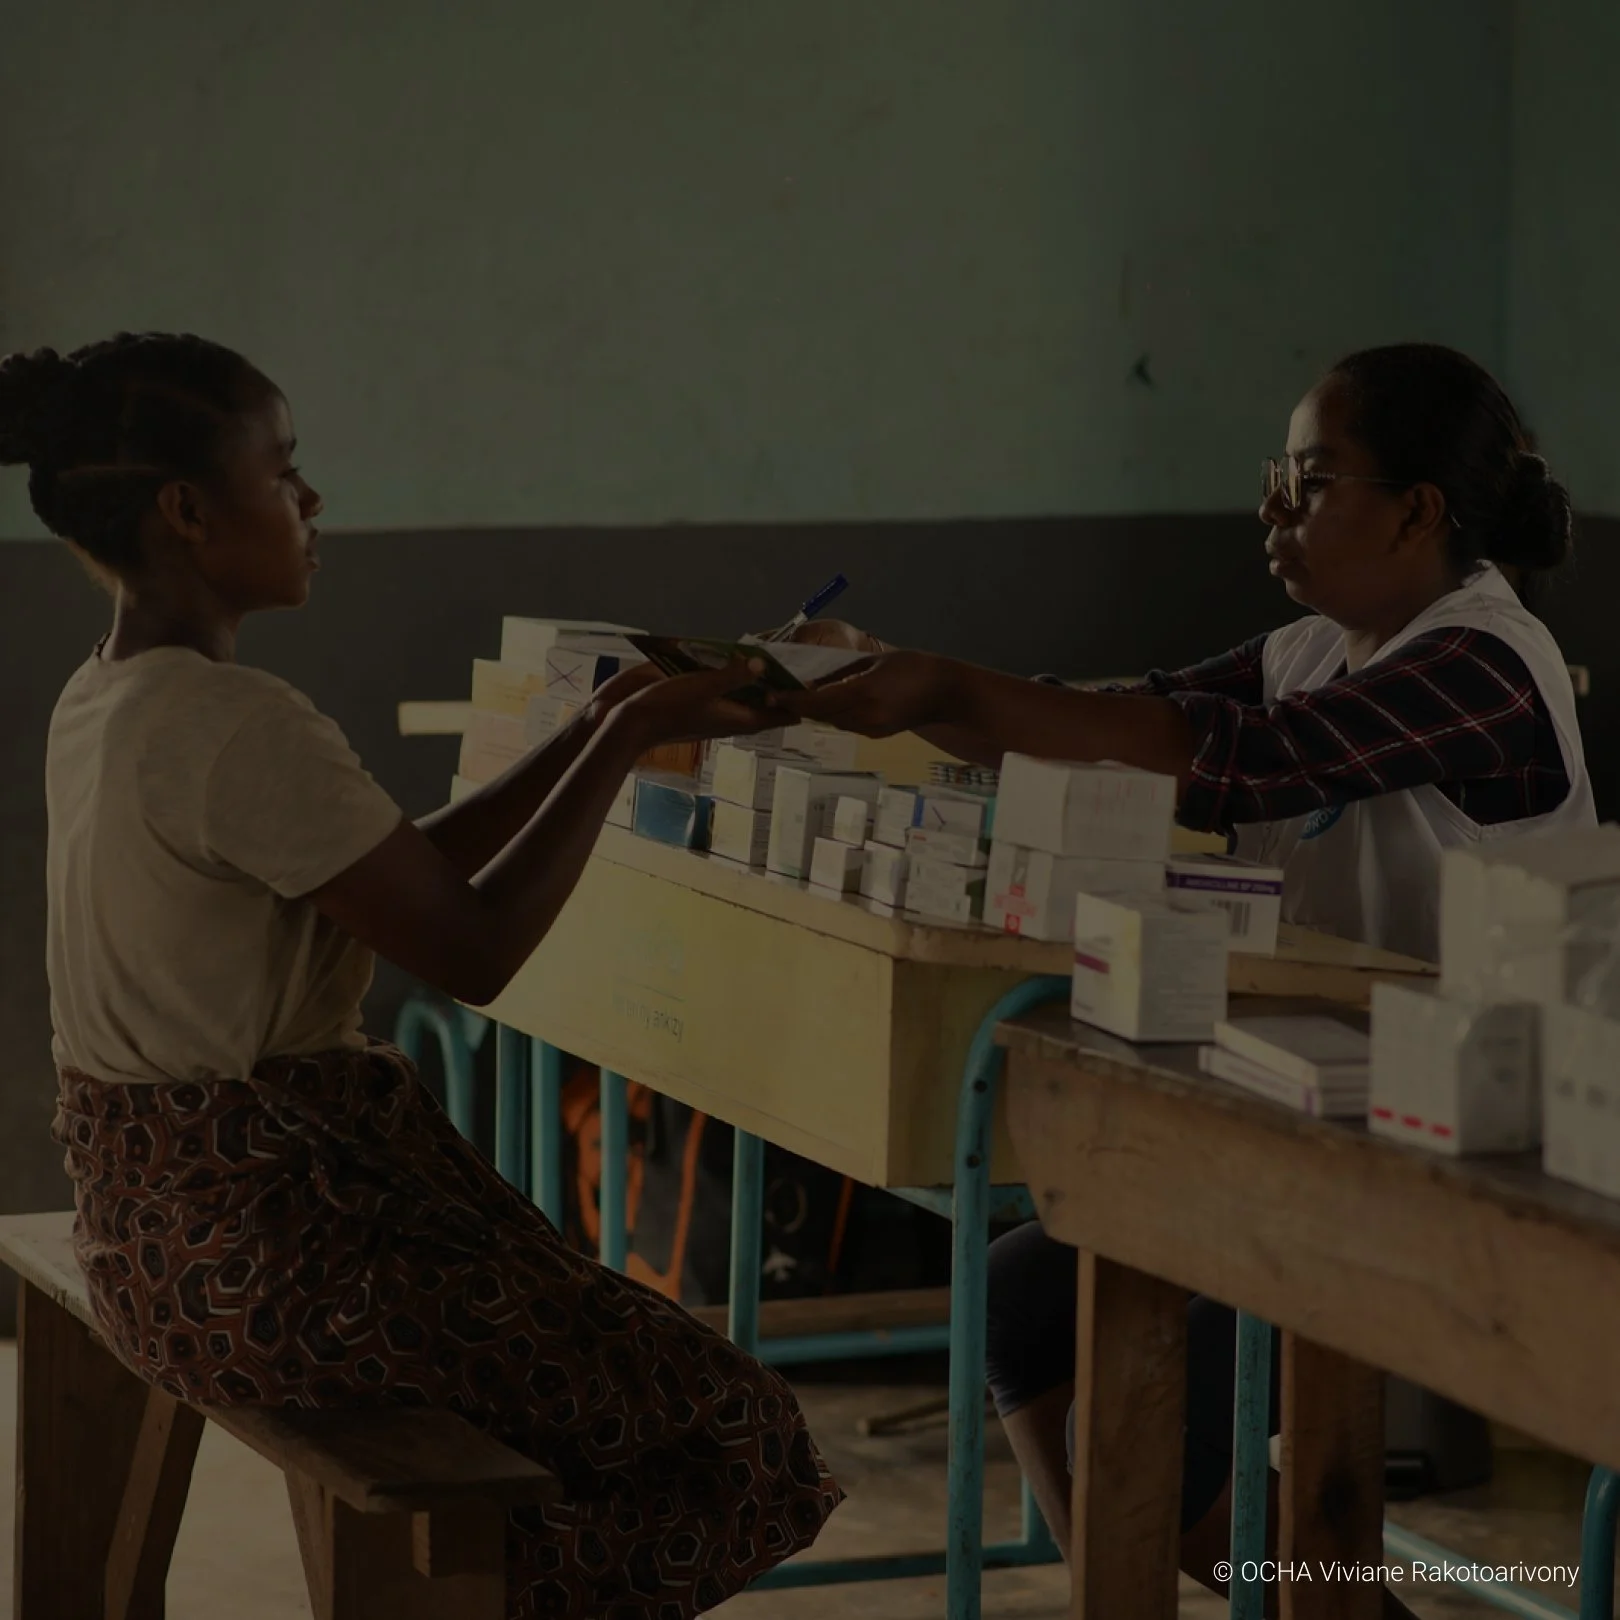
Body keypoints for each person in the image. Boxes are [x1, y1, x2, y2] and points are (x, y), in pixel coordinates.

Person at [1, 331, 841, 1620]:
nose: (313, 501)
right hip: (272, 1262)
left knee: (623, 1373)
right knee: (739, 1433)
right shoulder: (241, 725)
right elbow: (475, 950)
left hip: (151, 1235)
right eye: (285, 473)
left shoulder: (109, 697)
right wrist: (624, 742)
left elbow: (391, 874)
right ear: (188, 510)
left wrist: (591, 730)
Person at [777, 343, 1592, 1614]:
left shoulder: (1487, 661)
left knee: (1183, 1386)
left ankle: (1293, 1590)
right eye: (1278, 478)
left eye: (1311, 484)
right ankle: (1219, 1581)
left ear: (1420, 509)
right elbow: (1110, 723)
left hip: (1472, 1138)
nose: (1273, 512)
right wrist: (877, 677)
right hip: (1317, 1096)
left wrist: (939, 685)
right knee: (1033, 1297)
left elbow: (1249, 763)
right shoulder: (1317, 648)